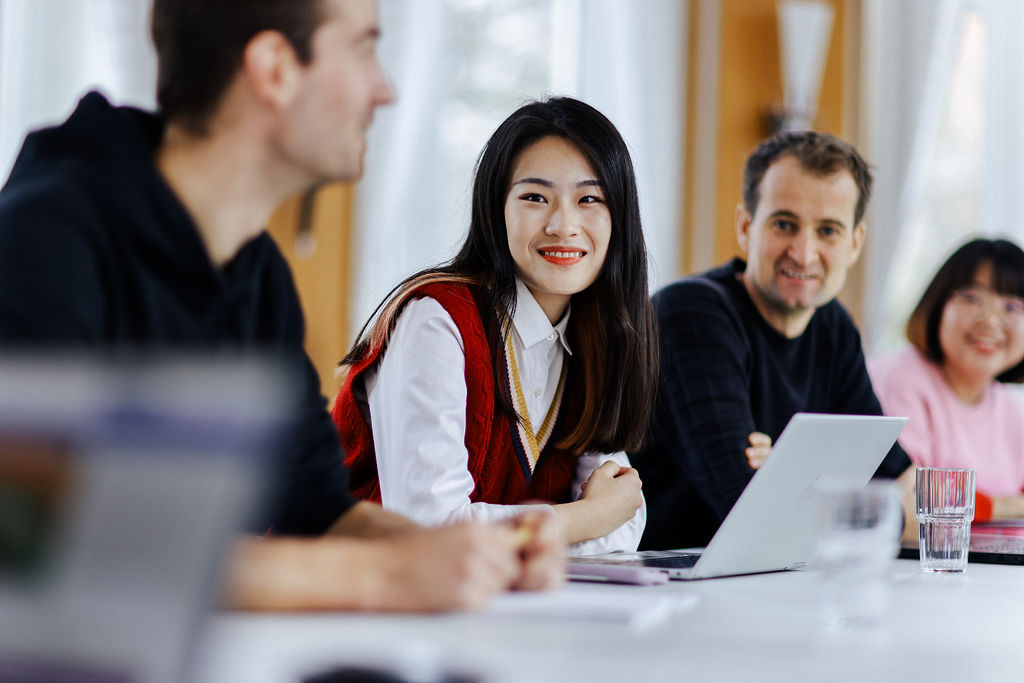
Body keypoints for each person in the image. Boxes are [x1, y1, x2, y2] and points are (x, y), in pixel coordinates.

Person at [0, 0, 563, 611]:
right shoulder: (42, 243)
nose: (386, 91)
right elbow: (47, 544)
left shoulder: (257, 273)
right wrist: (383, 578)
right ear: (275, 68)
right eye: (364, 49)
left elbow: (320, 512)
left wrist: (474, 551)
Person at [332, 97, 657, 555]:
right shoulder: (435, 320)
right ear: (495, 209)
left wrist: (574, 524)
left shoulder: (593, 336)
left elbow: (625, 521)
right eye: (535, 198)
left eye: (589, 199)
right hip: (334, 602)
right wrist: (587, 516)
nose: (564, 225)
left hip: (479, 608)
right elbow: (434, 531)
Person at [631, 130, 911, 550]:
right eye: (784, 224)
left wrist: (786, 469)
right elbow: (750, 511)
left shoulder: (832, 324)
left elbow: (900, 480)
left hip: (777, 587)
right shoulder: (691, 313)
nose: (803, 252)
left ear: (854, 244)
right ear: (746, 227)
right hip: (668, 590)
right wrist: (842, 485)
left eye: (829, 230)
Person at [870, 238, 1024, 521]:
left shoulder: (1010, 409)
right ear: (938, 305)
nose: (991, 321)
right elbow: (913, 501)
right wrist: (1007, 506)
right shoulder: (903, 380)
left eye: (1012, 307)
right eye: (972, 298)